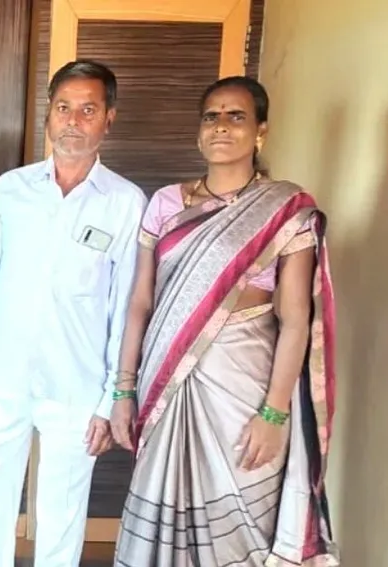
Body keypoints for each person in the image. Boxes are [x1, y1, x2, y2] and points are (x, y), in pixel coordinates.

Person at [110, 76, 340, 566]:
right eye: (211, 115)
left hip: (245, 393)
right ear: (198, 130)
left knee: (242, 526)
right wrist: (123, 391)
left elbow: (295, 319)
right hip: (168, 384)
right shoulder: (167, 204)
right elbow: (140, 304)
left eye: (236, 116)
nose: (220, 126)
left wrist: (274, 414)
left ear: (260, 131)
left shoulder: (286, 210)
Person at [0, 59, 148, 567]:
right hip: (2, 376)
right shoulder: (10, 190)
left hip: (77, 384)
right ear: (48, 115)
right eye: (63, 108)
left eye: (88, 110)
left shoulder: (126, 204)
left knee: (62, 508)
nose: (73, 121)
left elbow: (126, 305)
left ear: (109, 118)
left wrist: (111, 399)